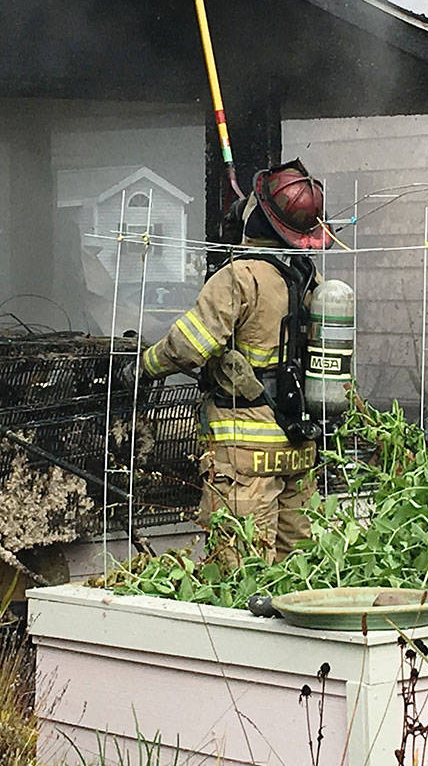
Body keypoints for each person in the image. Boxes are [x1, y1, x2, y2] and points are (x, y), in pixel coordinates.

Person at [119, 160, 330, 564]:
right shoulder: (311, 279)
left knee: (241, 572)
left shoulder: (241, 277)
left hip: (244, 452)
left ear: (260, 218)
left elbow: (187, 346)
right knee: (297, 570)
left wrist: (141, 367)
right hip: (298, 449)